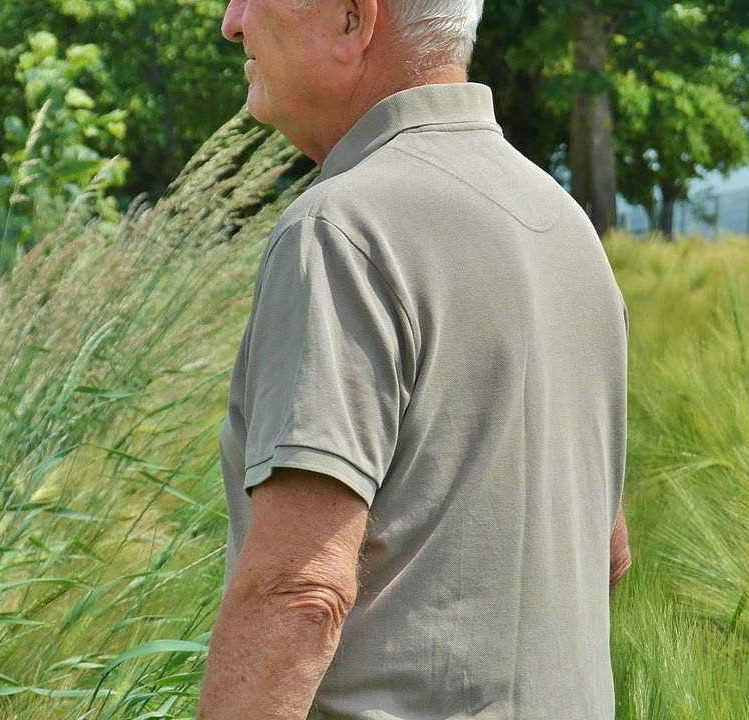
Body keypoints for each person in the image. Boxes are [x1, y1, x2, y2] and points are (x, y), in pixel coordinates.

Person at [198, 1, 633, 719]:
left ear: (351, 19)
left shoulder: (339, 229)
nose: (232, 20)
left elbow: (299, 596)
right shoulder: (567, 226)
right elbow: (605, 556)